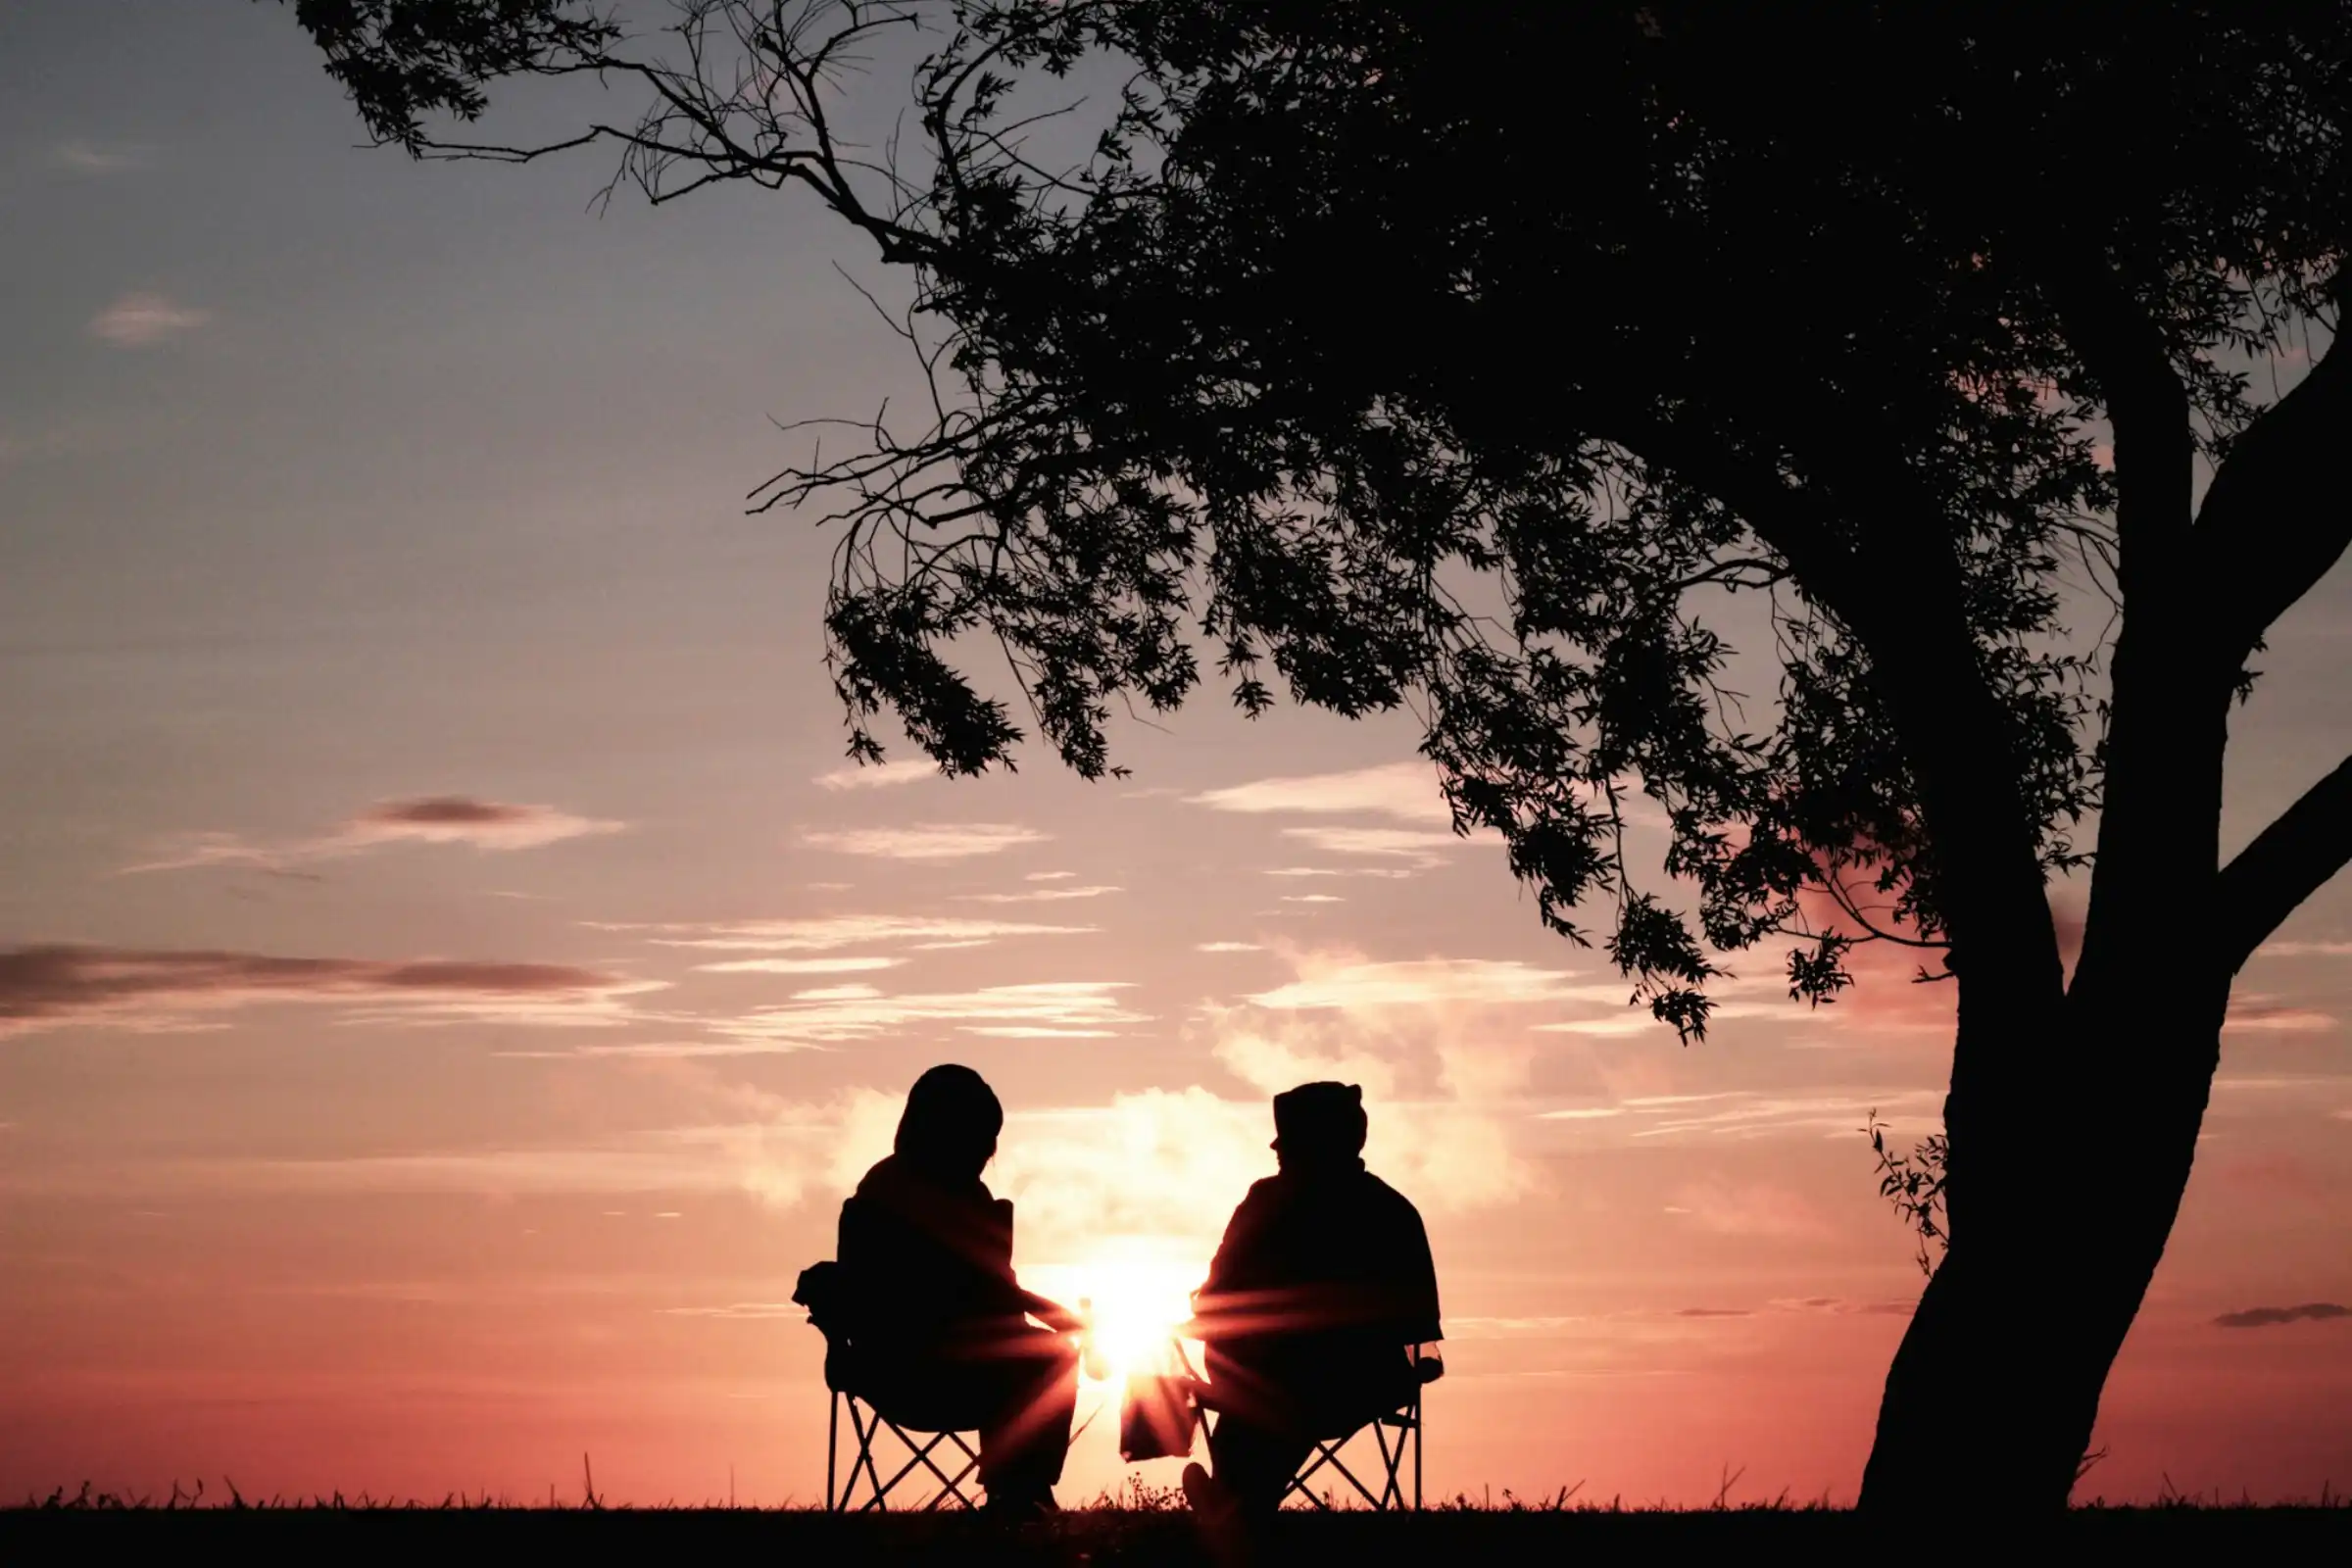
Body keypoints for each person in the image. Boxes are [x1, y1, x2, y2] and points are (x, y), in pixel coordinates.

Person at [823, 1064, 1082, 1517]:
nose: (988, 1152)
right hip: (919, 1369)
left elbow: (996, 1290)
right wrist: (1059, 1318)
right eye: (981, 1138)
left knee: (1042, 1354)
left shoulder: (892, 1188)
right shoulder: (902, 1195)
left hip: (892, 1368)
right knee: (1053, 1356)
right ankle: (1020, 1490)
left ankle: (1019, 1488)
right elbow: (985, 1288)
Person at [1183, 1081, 1443, 1521]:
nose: (1278, 1156)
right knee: (1275, 1394)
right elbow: (1422, 1326)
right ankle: (1236, 1503)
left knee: (1269, 1395)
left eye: (1287, 1148)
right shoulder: (1393, 1211)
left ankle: (1236, 1504)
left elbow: (1213, 1298)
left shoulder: (1265, 1203)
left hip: (1288, 1382)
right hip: (1366, 1384)